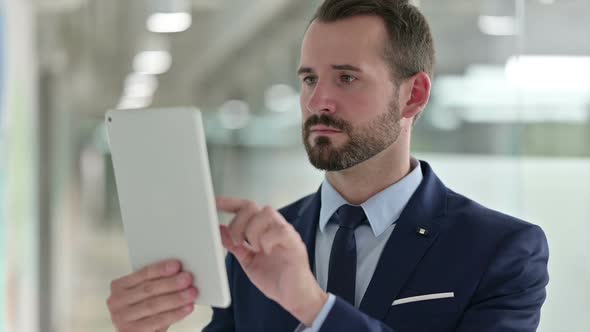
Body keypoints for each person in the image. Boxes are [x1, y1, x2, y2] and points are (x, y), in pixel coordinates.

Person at [106, 0, 550, 331]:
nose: (318, 101)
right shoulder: (255, 247)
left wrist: (314, 307)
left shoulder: (502, 251)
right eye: (309, 79)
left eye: (347, 78)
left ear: (412, 95)